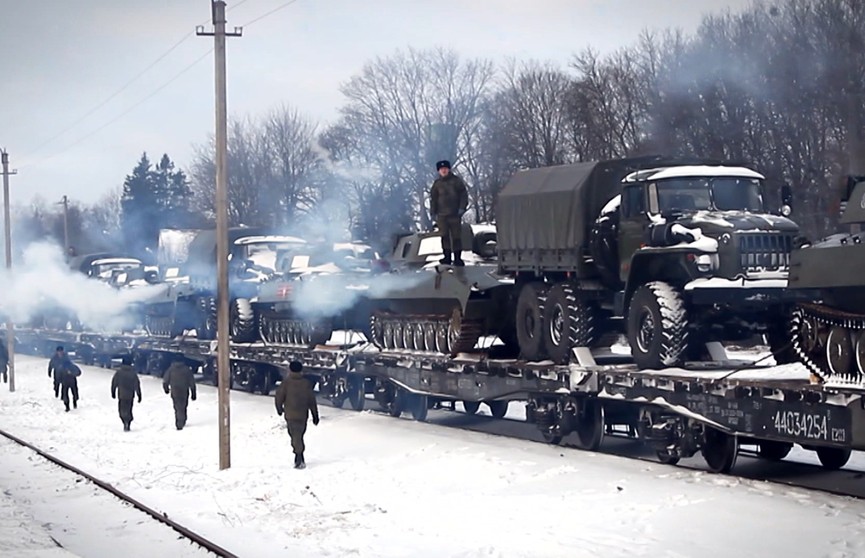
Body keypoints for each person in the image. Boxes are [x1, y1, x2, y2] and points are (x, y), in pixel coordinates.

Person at [274, 361, 319, 469]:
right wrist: (315, 415)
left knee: (295, 436)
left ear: (290, 370)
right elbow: (311, 400)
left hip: (290, 415)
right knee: (299, 435)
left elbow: (279, 397)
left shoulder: (286, 383)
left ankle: (299, 457)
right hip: (303, 415)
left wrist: (279, 409)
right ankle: (299, 455)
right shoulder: (306, 383)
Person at [429, 159, 468, 266]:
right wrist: (433, 212)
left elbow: (463, 195)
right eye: (441, 169)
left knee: (456, 237)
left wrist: (462, 208)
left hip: (455, 214)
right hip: (442, 215)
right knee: (444, 236)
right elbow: (433, 198)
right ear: (439, 171)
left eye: (445, 169)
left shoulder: (456, 181)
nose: (443, 171)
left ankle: (457, 258)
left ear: (449, 169)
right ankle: (446, 257)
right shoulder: (437, 184)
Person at [163, 357, 196, 430]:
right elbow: (192, 382)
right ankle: (182, 420)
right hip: (184, 391)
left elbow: (165, 381)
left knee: (177, 406)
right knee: (183, 406)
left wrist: (166, 389)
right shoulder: (187, 370)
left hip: (175, 391)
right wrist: (193, 393)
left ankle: (179, 420)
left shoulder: (171, 369)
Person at [111, 356, 141, 431]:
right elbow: (137, 384)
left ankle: (124, 421)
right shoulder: (133, 373)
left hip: (121, 395)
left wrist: (113, 392)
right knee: (129, 409)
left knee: (122, 409)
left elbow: (114, 383)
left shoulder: (119, 373)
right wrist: (139, 395)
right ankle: (128, 421)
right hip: (130, 395)